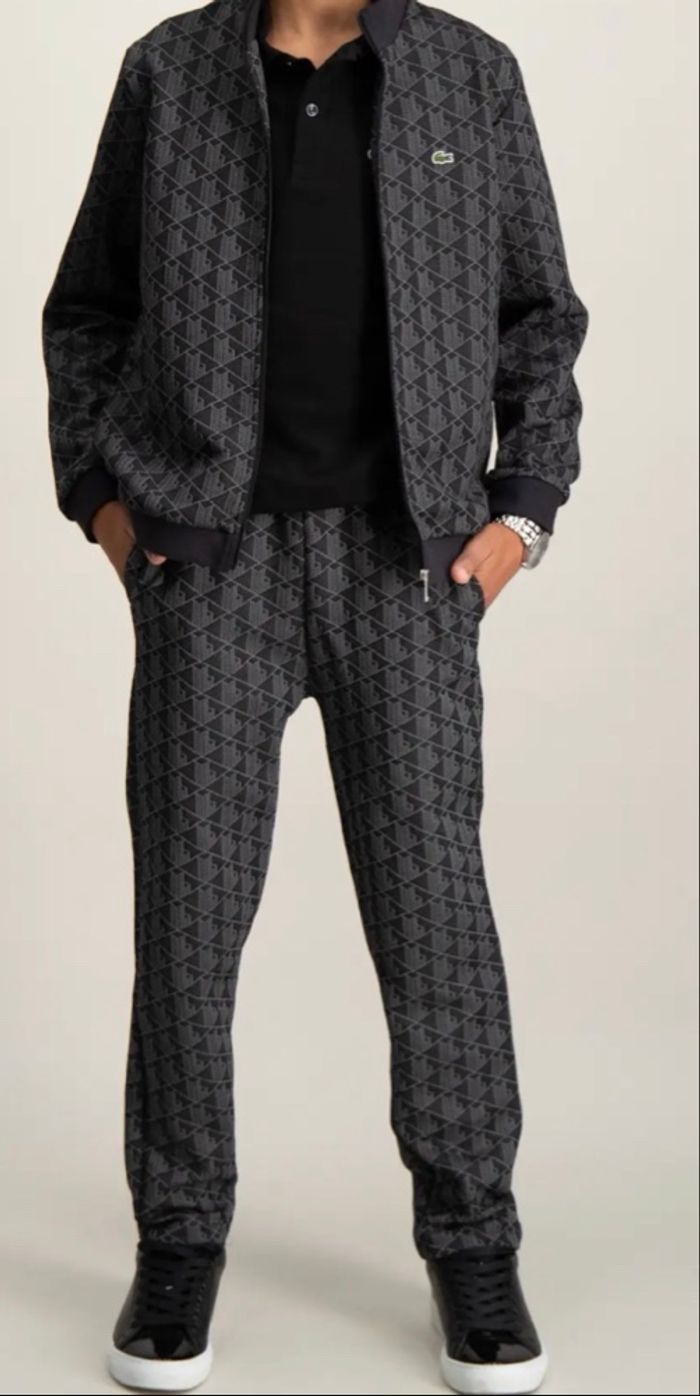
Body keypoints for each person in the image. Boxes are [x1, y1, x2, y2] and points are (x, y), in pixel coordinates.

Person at [42, 0, 587, 1390]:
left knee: (433, 915)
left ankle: (473, 1241)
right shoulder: (170, 72)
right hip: (208, 567)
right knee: (189, 914)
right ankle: (179, 1239)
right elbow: (88, 309)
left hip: (408, 567)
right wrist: (108, 508)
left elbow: (539, 314)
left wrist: (518, 517)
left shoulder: (470, 75)